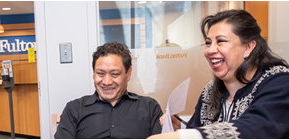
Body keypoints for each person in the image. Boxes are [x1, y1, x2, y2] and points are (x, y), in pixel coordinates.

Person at [148, 9, 289, 139]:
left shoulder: (279, 81)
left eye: (221, 41)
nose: (210, 50)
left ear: (248, 47)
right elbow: (198, 127)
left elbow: (257, 127)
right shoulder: (210, 91)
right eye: (208, 43)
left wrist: (183, 137)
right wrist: (179, 128)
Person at [54, 41, 163, 139]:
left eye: (115, 74)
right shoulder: (74, 109)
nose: (107, 82)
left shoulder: (150, 108)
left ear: (128, 73)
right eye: (100, 73)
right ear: (94, 74)